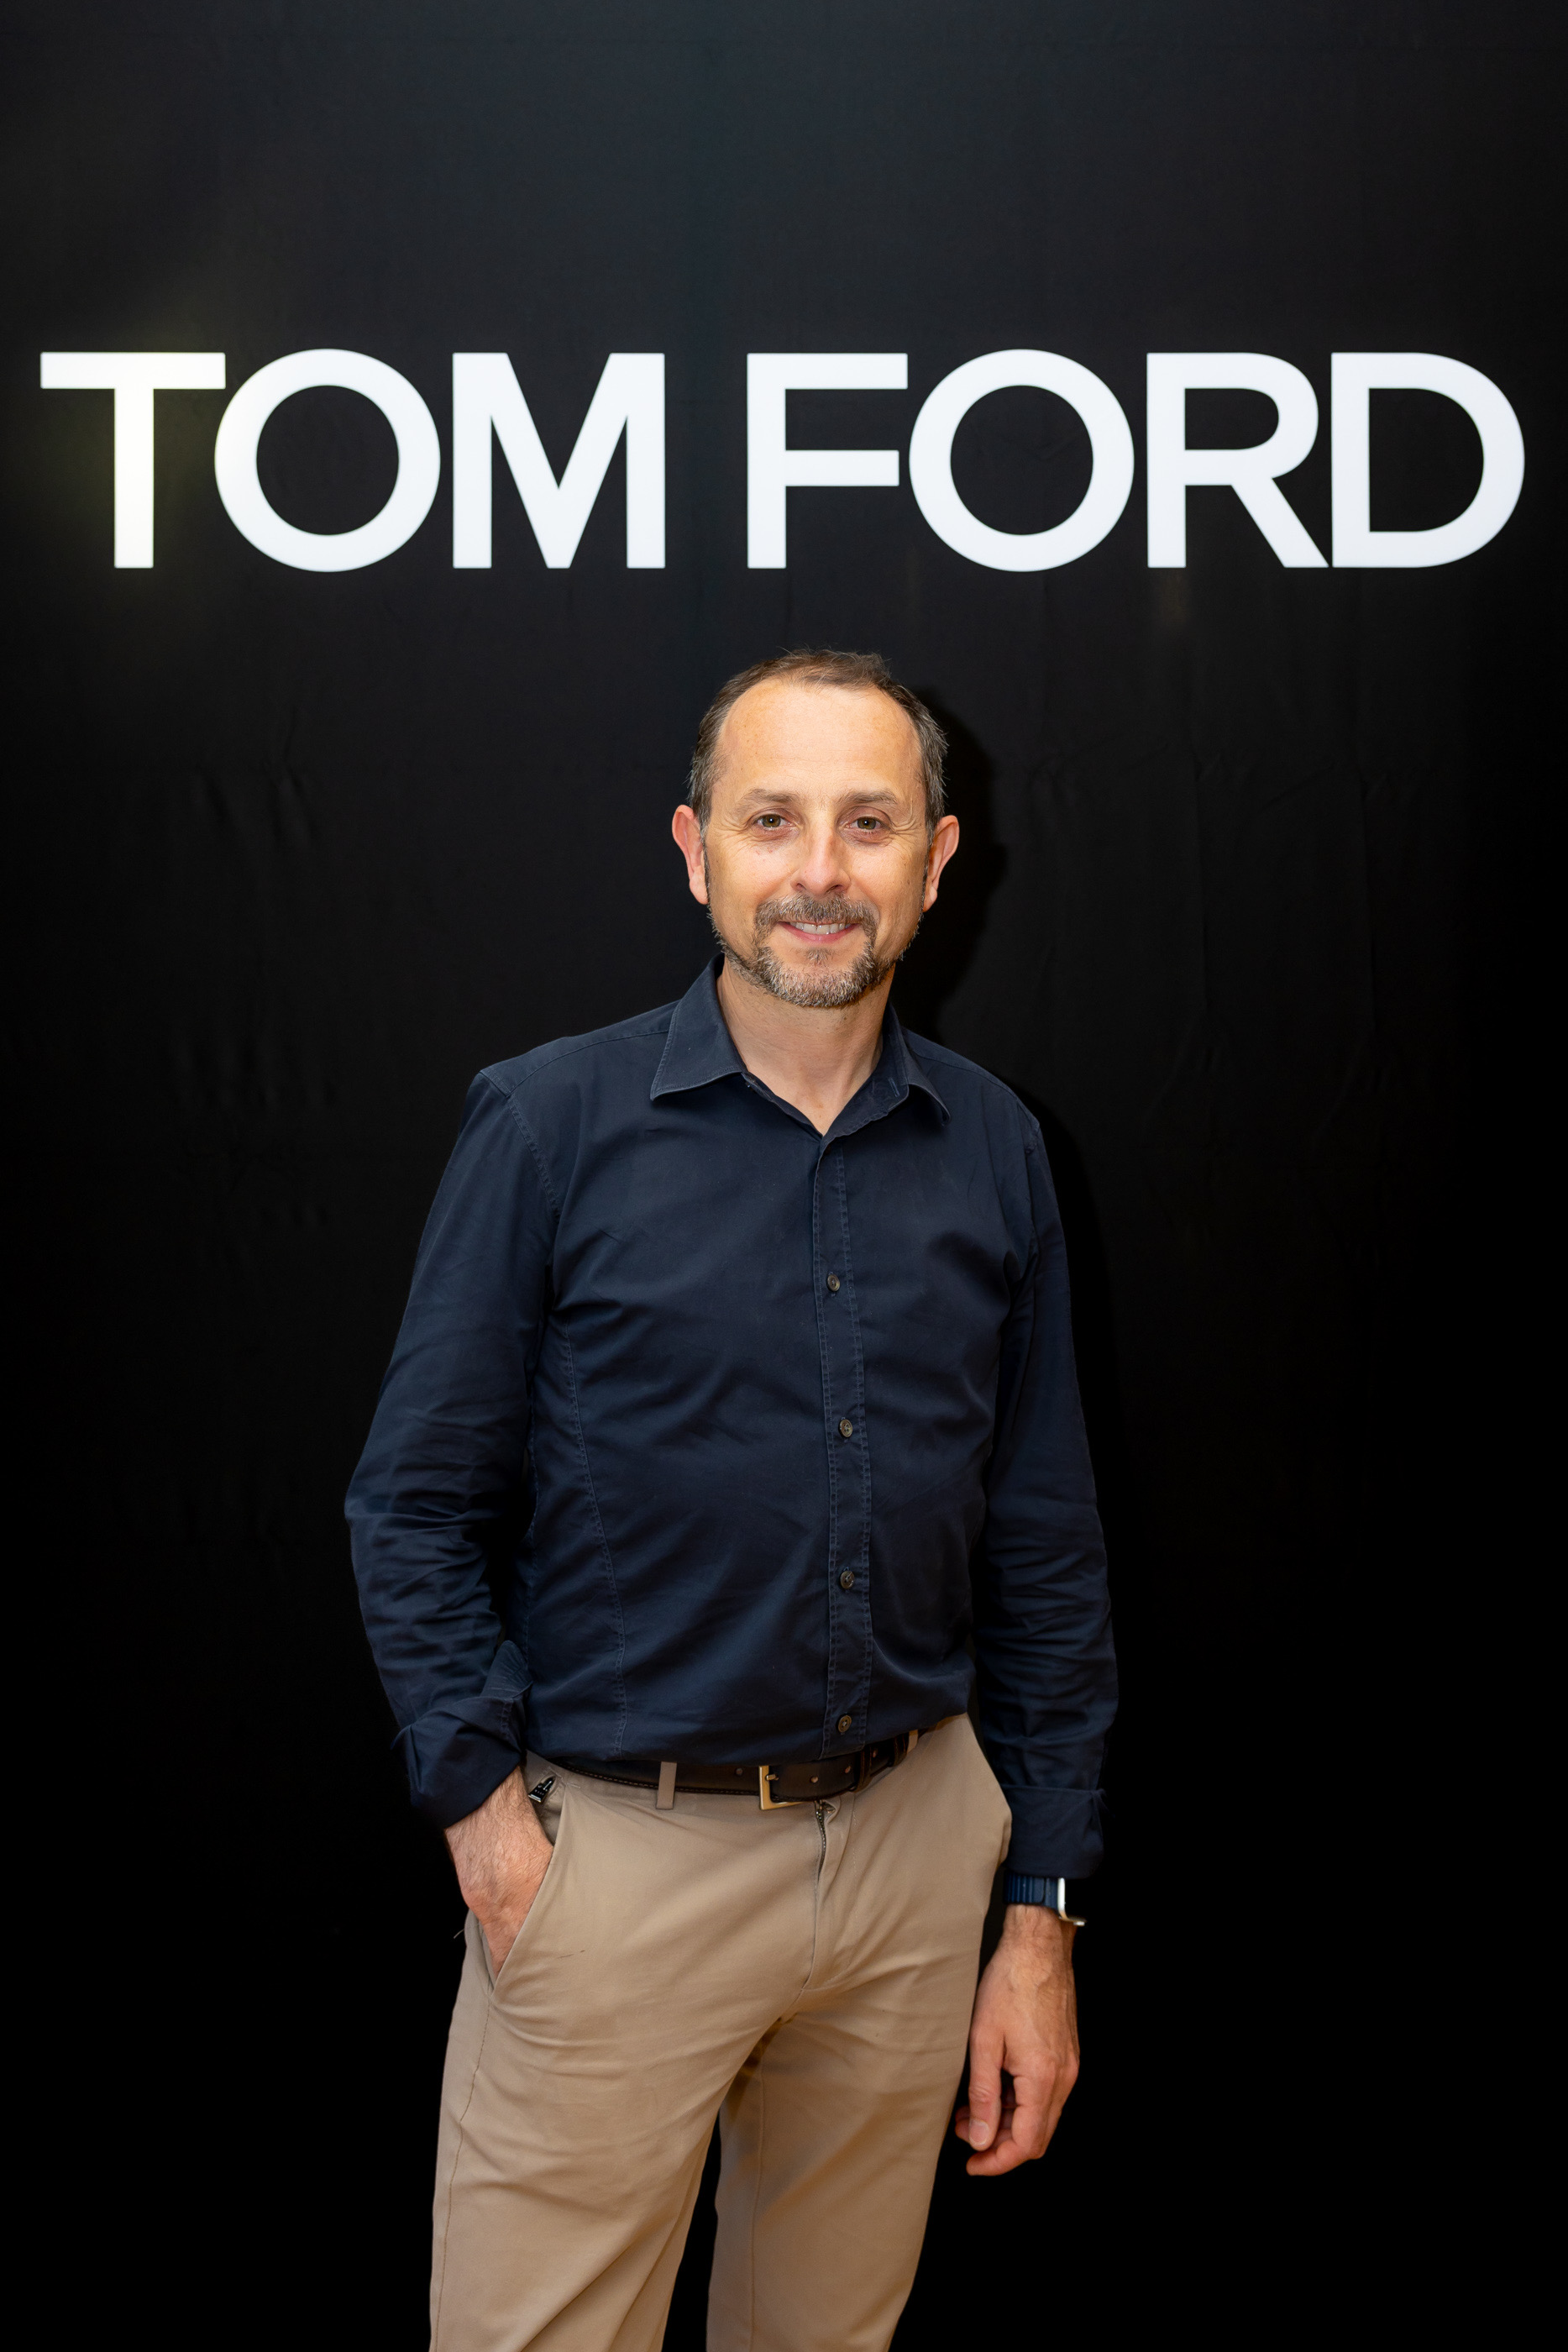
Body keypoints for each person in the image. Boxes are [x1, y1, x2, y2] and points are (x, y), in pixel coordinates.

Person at [347, 648, 1117, 2352]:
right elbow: (411, 1504)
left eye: (867, 823)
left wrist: (1038, 1910)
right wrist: (488, 1826)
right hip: (620, 1868)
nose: (818, 870)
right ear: (697, 850)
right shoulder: (547, 1125)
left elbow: (1046, 1545)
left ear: (938, 859)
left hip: (918, 1857)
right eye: (773, 821)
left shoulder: (1000, 1148)